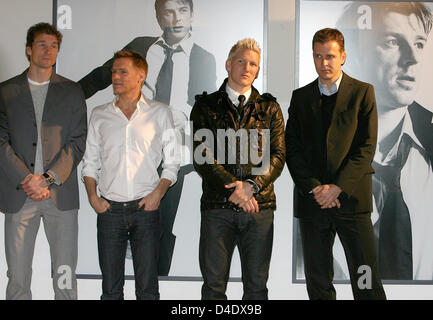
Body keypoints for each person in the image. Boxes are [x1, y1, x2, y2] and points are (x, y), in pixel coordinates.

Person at [79, 0, 217, 276]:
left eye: (182, 10)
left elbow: (206, 111)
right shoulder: (141, 46)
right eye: (167, 11)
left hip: (173, 153)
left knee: (162, 225)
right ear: (158, 16)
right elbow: (100, 77)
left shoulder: (203, 58)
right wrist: (66, 97)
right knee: (123, 224)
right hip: (135, 149)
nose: (175, 18)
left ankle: (158, 281)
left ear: (192, 15)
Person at [285, 28, 386, 300]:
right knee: (317, 281)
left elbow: (366, 147)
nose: (324, 63)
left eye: (330, 56)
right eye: (318, 56)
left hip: (352, 201)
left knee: (365, 278)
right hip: (313, 202)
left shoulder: (363, 93)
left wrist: (338, 187)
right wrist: (316, 188)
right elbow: (292, 150)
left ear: (343, 56)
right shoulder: (300, 97)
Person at [336, 1, 433, 280]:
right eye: (392, 42)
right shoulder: (319, 147)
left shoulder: (429, 144)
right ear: (350, 56)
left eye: (419, 44)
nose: (412, 59)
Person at [191, 38, 285, 300]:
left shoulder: (270, 108)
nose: (247, 67)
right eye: (241, 61)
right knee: (213, 288)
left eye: (253, 64)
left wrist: (251, 187)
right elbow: (202, 156)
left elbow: (278, 155)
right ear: (228, 64)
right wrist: (236, 189)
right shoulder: (205, 106)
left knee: (256, 289)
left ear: (257, 70)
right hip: (217, 207)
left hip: (260, 208)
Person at [82, 50, 180, 300]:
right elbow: (90, 163)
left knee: (147, 290)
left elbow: (172, 163)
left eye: (123, 72)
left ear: (141, 76)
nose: (115, 76)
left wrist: (157, 195)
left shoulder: (160, 113)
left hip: (145, 210)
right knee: (110, 290)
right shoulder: (99, 114)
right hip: (108, 210)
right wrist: (93, 197)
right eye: (114, 71)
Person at [0, 22, 87, 300]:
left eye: (53, 46)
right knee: (18, 276)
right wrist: (28, 179)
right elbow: (0, 141)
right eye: (42, 45)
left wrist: (48, 179)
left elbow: (77, 142)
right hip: (19, 193)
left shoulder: (72, 91)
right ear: (28, 49)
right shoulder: (5, 91)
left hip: (60, 195)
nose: (48, 51)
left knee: (64, 275)